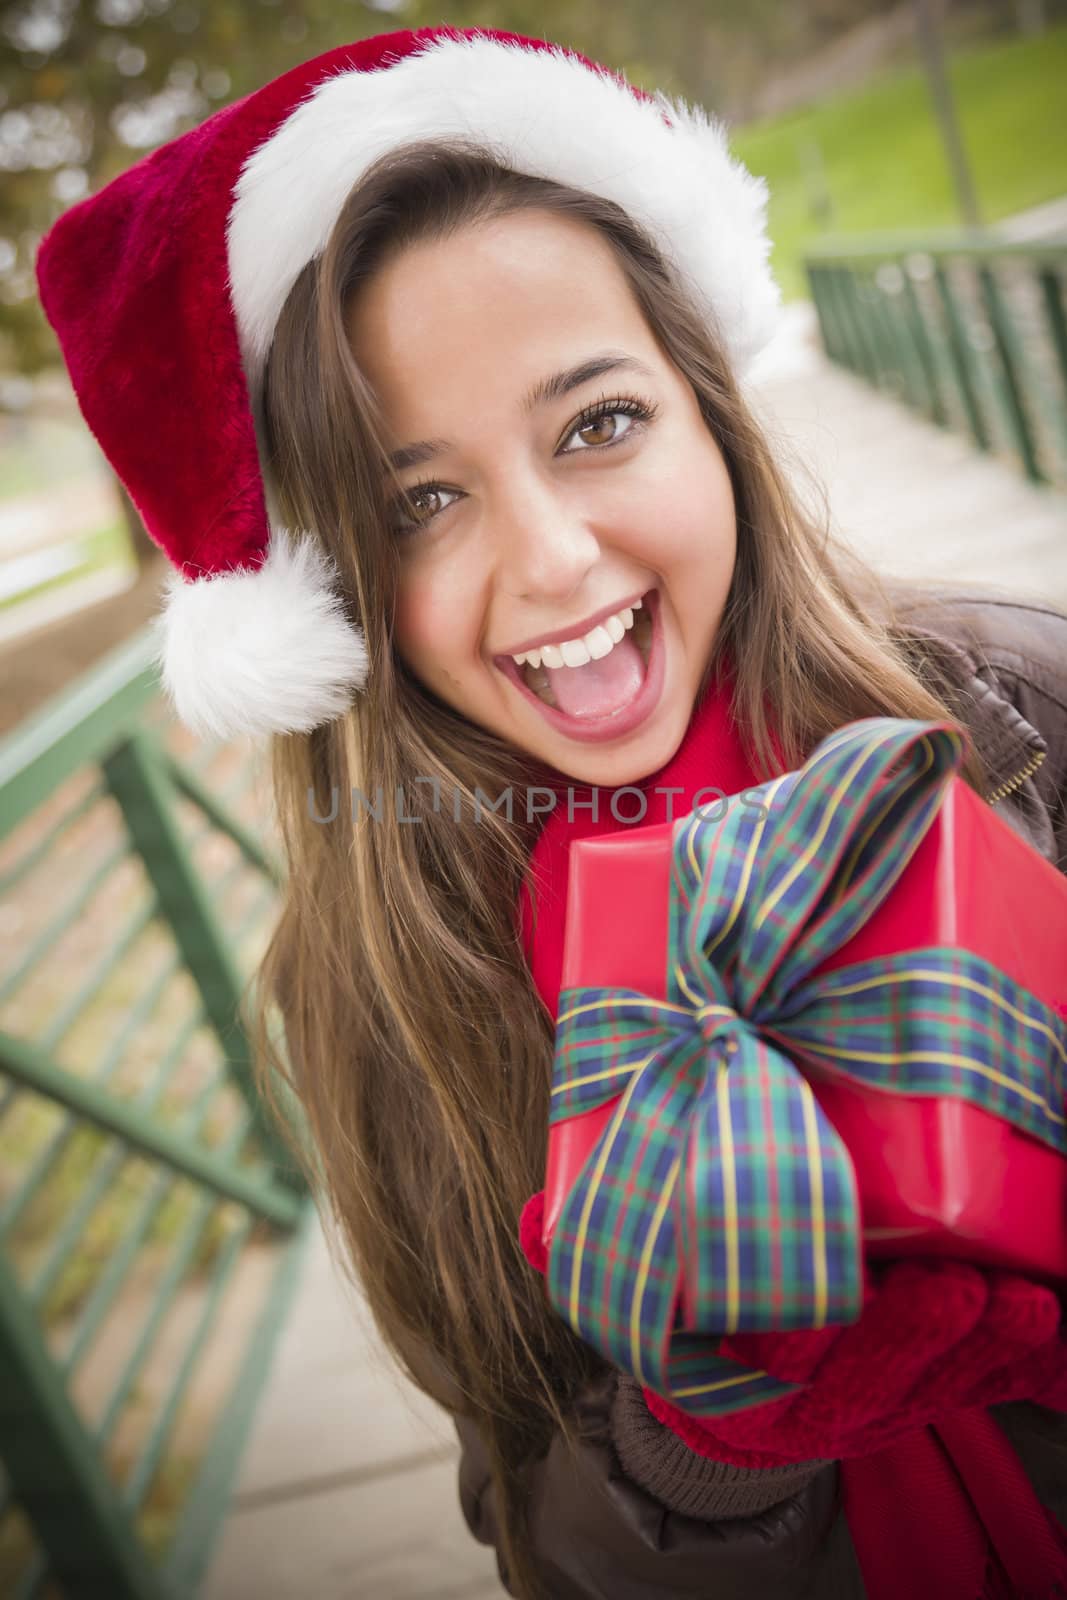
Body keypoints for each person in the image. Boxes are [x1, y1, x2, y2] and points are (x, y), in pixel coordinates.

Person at [34, 24, 1067, 1600]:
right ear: (329, 581)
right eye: (418, 502)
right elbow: (531, 1525)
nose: (556, 561)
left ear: (708, 407)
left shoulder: (1024, 708)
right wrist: (704, 1451)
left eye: (598, 423)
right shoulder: (382, 999)